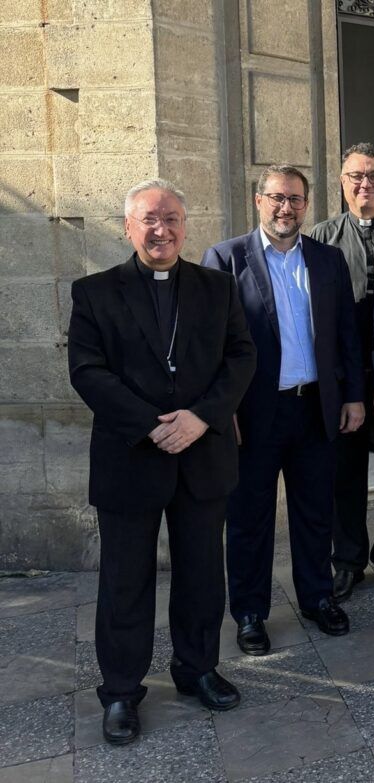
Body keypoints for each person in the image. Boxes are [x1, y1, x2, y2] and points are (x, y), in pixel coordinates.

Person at [68, 179, 256, 744]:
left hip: (203, 453)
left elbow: (241, 356)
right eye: (149, 219)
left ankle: (197, 668)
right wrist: (152, 424)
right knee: (126, 581)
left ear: (185, 225)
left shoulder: (217, 287)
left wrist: (201, 417)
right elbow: (88, 372)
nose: (161, 229)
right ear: (128, 227)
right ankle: (121, 692)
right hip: (131, 457)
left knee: (202, 573)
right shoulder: (94, 292)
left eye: (171, 218)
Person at [202, 165, 365, 656]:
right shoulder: (226, 258)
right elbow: (207, 344)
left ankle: (317, 597)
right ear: (258, 200)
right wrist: (219, 408)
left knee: (315, 511)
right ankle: (250, 612)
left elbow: (346, 335)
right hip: (253, 413)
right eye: (276, 198)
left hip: (314, 406)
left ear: (306, 204)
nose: (285, 208)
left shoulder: (327, 259)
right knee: (249, 516)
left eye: (295, 199)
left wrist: (353, 394)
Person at [309, 143, 374, 601]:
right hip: (344, 379)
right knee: (344, 471)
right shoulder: (320, 239)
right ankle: (348, 558)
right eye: (356, 175)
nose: (364, 184)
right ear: (342, 181)